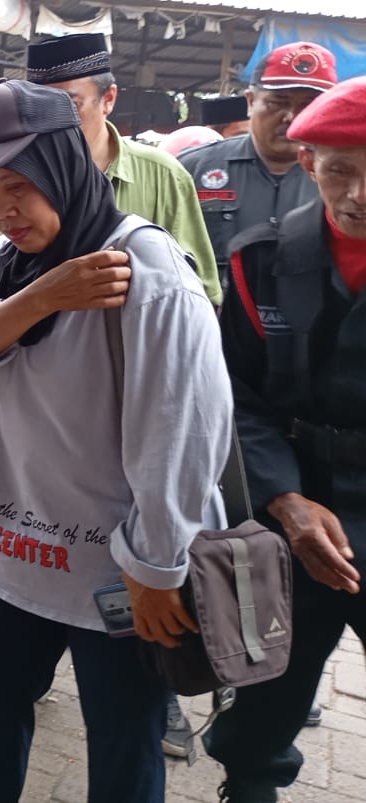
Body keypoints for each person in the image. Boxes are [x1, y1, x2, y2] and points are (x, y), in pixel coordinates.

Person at [0, 79, 231, 803]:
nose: (4, 210)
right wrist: (43, 296)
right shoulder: (8, 263)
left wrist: (157, 564)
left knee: (124, 744)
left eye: (18, 184)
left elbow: (184, 429)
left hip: (116, 572)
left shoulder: (144, 269)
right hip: (10, 556)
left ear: (65, 162)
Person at [202, 77, 366, 803]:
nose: (359, 193)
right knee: (270, 686)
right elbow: (238, 396)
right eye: (339, 169)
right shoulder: (257, 259)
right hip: (299, 503)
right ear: (308, 165)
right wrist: (285, 499)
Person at [26, 33, 222, 307]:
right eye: (37, 107)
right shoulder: (10, 179)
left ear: (108, 99)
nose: (51, 121)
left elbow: (201, 291)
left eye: (69, 105)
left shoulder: (162, 175)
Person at [179, 41, 337, 291]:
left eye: (308, 105)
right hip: (213, 324)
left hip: (313, 325)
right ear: (251, 102)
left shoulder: (349, 180)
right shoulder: (190, 170)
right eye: (277, 102)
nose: (291, 117)